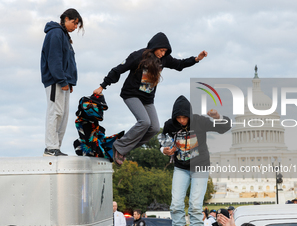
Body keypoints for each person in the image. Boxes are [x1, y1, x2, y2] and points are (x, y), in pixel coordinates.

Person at [93, 32, 208, 166]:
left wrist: (196, 59)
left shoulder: (164, 59)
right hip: (131, 94)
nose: (162, 54)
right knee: (144, 122)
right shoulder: (138, 56)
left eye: (165, 51)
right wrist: (103, 86)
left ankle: (124, 149)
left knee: (154, 128)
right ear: (155, 47)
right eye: (161, 50)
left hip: (147, 99)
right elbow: (119, 69)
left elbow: (179, 64)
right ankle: (118, 146)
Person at [160, 95, 231, 226]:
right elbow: (162, 140)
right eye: (178, 118)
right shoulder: (170, 125)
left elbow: (224, 127)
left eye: (184, 118)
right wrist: (164, 150)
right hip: (181, 167)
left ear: (189, 115)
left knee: (195, 206)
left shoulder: (200, 121)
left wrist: (217, 116)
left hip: (200, 167)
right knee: (175, 205)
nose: (181, 121)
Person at [41, 8, 84, 156]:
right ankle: (50, 148)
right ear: (66, 19)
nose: (75, 26)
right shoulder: (55, 33)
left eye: (77, 24)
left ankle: (56, 147)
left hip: (64, 82)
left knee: (63, 115)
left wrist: (69, 82)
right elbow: (54, 60)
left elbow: (67, 62)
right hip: (55, 81)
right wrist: (61, 80)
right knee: (55, 113)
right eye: (74, 22)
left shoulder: (64, 36)